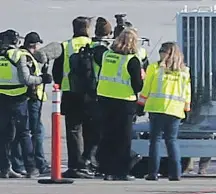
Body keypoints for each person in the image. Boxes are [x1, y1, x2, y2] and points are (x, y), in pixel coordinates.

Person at [0, 29, 52, 178]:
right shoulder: (18, 55)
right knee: (24, 134)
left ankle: (5, 168)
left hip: (2, 99)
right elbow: (26, 79)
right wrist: (42, 79)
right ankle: (31, 168)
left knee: (4, 134)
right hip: (18, 98)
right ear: (15, 42)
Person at [137, 42, 191, 181]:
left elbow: (146, 88)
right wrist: (186, 109)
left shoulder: (154, 68)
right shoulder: (184, 71)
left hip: (156, 108)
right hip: (175, 110)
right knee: (171, 141)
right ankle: (175, 173)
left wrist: (140, 104)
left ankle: (153, 173)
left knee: (155, 141)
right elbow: (187, 92)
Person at [93, 28, 143, 181]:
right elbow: (138, 85)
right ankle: (121, 171)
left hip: (105, 99)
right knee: (123, 138)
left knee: (108, 135)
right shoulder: (132, 60)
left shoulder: (107, 55)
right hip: (124, 101)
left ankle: (105, 169)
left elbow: (96, 55)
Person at [52, 16, 95, 178]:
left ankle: (75, 165)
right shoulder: (94, 45)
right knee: (91, 131)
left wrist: (62, 84)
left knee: (73, 131)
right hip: (90, 94)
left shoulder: (65, 46)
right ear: (87, 29)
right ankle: (88, 162)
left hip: (70, 93)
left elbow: (56, 72)